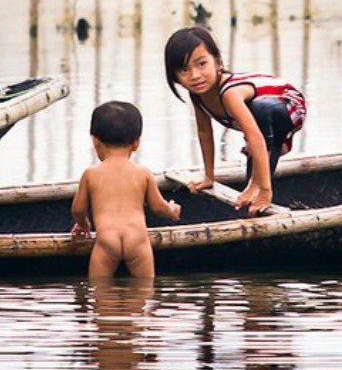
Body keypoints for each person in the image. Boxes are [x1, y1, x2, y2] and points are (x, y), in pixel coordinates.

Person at [164, 26, 307, 215]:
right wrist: (209, 177)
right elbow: (205, 133)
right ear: (175, 77)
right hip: (263, 125)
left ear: (217, 62)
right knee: (252, 175)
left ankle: (264, 188)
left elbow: (254, 136)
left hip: (289, 106)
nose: (195, 75)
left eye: (201, 64)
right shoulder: (197, 96)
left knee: (260, 113)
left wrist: (264, 189)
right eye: (184, 70)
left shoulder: (230, 93)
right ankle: (256, 186)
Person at [71, 100, 181, 279]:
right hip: (137, 240)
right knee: (143, 292)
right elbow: (158, 207)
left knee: (100, 294)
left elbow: (77, 209)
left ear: (95, 141)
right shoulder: (142, 173)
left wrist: (83, 224)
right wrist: (172, 211)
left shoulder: (91, 174)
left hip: (107, 240)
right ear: (136, 143)